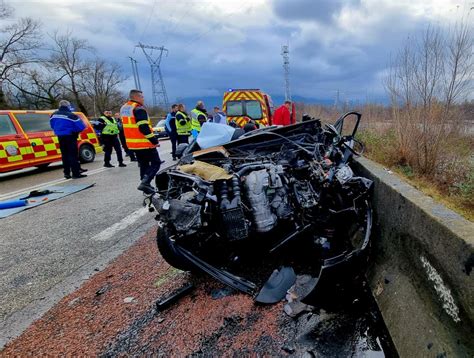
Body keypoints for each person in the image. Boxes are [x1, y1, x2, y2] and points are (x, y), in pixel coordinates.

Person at [120, 89, 162, 194]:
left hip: (133, 144)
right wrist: (154, 140)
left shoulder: (125, 108)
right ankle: (145, 182)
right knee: (156, 163)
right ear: (137, 97)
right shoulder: (138, 108)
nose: (143, 99)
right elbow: (143, 126)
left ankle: (145, 188)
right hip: (144, 143)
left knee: (143, 165)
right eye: (142, 97)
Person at [50, 100, 87, 179]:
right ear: (68, 106)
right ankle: (76, 174)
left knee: (64, 155)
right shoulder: (71, 115)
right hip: (70, 136)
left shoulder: (53, 115)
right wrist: (73, 131)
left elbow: (52, 125)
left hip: (60, 136)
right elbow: (81, 126)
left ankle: (66, 173)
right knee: (73, 155)